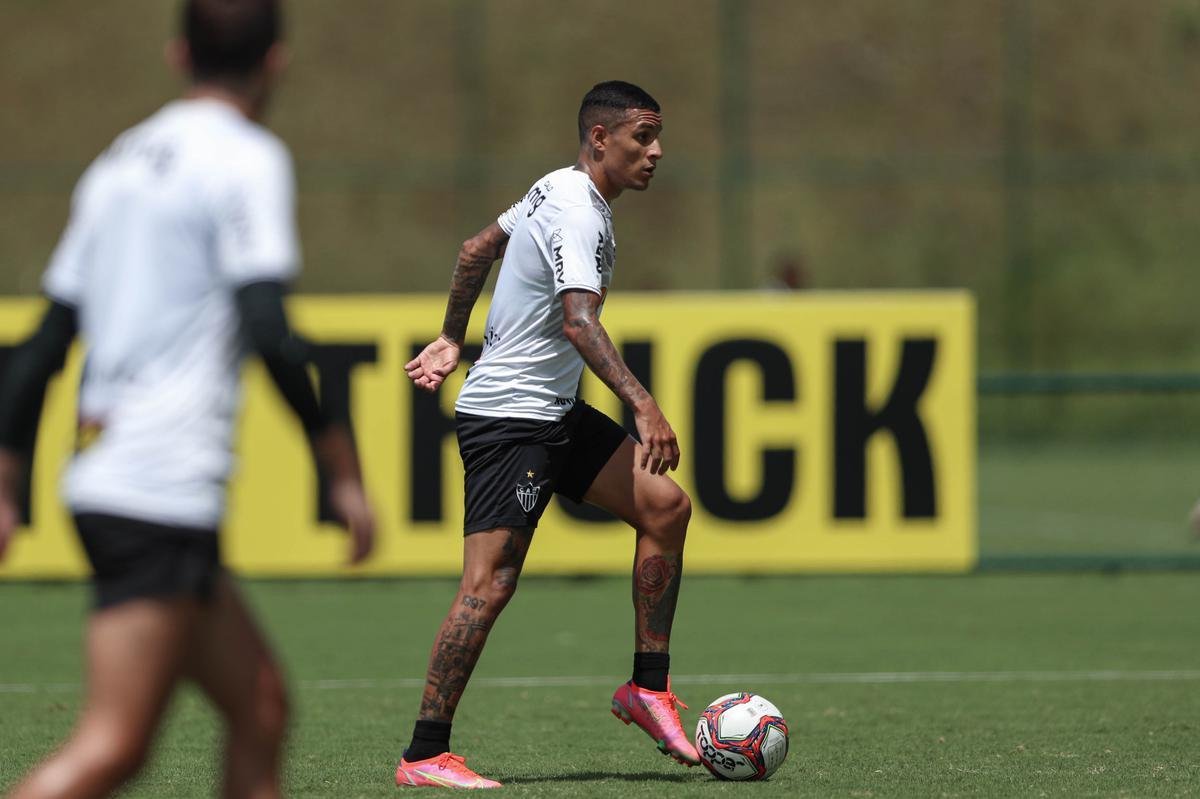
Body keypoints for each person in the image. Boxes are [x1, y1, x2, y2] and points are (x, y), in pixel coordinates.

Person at [0, 1, 376, 797]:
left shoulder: (119, 162)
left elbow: (41, 345)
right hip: (156, 489)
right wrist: (339, 466)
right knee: (113, 746)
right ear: (276, 63)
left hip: (116, 482)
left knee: (261, 705)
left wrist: (6, 481)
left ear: (178, 56)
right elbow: (269, 326)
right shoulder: (247, 158)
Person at [399, 80, 697, 790]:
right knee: (489, 584)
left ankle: (646, 688)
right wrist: (643, 404)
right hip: (510, 421)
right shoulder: (576, 212)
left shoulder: (556, 187)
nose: (656, 152)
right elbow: (578, 322)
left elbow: (476, 250)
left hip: (551, 410)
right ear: (601, 139)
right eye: (642, 138)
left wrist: (449, 336)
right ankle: (424, 753)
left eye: (657, 138)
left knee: (666, 507)